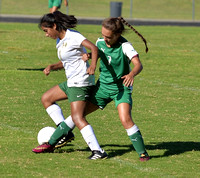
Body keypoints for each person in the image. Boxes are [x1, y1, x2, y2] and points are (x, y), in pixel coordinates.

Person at [34, 16, 150, 161]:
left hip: (120, 88)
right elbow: (100, 52)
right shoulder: (100, 42)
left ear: (117, 35)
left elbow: (138, 64)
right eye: (103, 35)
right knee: (77, 116)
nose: (104, 39)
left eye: (108, 37)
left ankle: (143, 153)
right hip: (102, 88)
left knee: (125, 119)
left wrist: (132, 74)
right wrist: (88, 56)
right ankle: (52, 143)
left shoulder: (125, 46)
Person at [32, 11, 108, 160]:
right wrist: (52, 66)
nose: (46, 34)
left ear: (54, 26)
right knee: (46, 98)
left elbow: (94, 48)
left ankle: (98, 151)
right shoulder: (59, 41)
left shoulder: (73, 36)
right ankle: (65, 132)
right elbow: (68, 61)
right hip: (71, 81)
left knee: (77, 117)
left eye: (46, 31)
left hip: (80, 82)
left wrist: (92, 66)